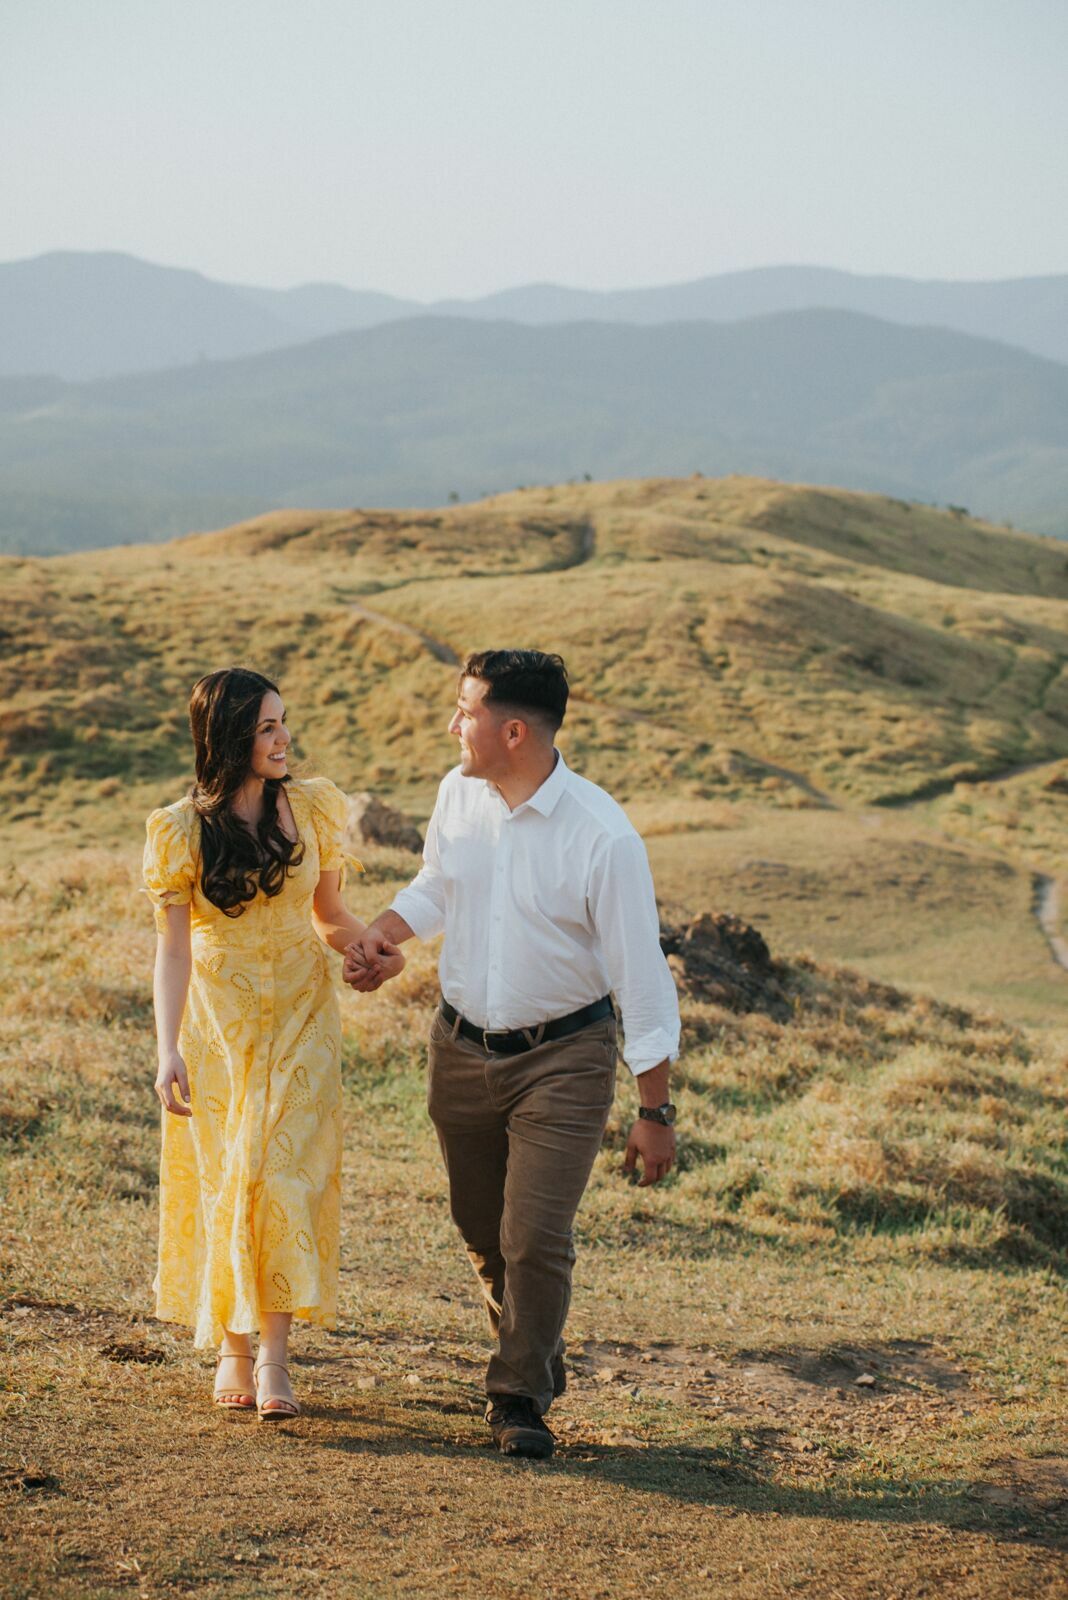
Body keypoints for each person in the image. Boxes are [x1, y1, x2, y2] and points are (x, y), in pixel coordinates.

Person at [344, 649, 680, 1460]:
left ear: (514, 731)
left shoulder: (604, 837)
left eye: (465, 712)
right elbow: (437, 884)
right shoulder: (457, 794)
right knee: (481, 1227)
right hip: (459, 1048)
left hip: (565, 1057)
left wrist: (655, 1110)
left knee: (534, 1235)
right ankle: (536, 1348)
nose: (451, 726)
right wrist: (384, 934)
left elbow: (640, 976)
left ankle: (519, 1395)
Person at [143, 667, 403, 1419]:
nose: (284, 737)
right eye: (265, 727)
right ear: (228, 737)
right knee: (232, 1175)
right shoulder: (178, 829)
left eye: (283, 721)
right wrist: (167, 1048)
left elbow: (329, 914)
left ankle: (275, 1356)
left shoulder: (314, 806)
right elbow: (173, 950)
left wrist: (374, 948)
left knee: (285, 1175)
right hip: (218, 1023)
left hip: (302, 1012)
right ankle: (232, 1344)